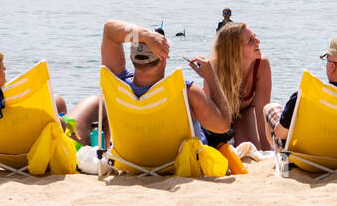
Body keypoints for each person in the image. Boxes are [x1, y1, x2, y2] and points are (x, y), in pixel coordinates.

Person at [66, 20, 232, 146]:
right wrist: (210, 76)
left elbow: (109, 30)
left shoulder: (118, 83)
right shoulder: (184, 90)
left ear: (131, 58)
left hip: (131, 160)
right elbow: (222, 125)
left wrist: (145, 36)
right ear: (163, 59)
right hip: (172, 161)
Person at [185, 21, 273, 151]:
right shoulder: (214, 68)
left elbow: (261, 112)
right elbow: (209, 113)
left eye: (255, 36)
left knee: (252, 149)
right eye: (250, 40)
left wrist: (268, 153)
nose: (258, 41)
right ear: (235, 49)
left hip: (243, 113)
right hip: (219, 117)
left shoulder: (261, 65)